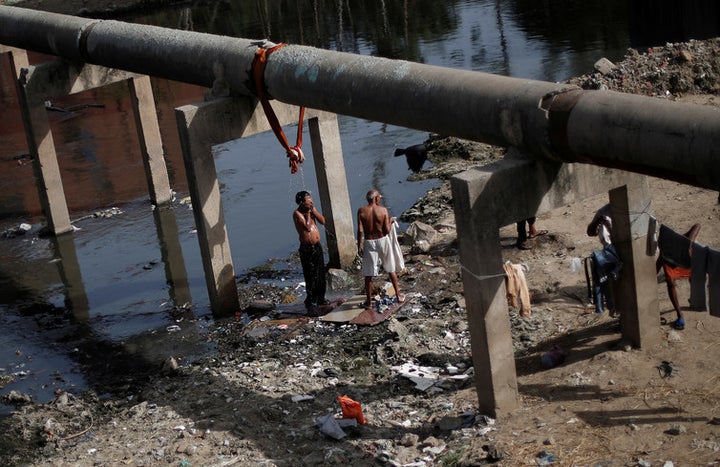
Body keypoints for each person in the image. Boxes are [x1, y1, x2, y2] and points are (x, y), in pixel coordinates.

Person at [357, 189, 405, 308]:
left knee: (369, 273)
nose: (380, 199)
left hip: (369, 242)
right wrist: (390, 220)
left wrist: (359, 245)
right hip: (382, 240)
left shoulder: (361, 211)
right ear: (376, 198)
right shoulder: (383, 210)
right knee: (390, 268)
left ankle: (368, 302)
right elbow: (387, 230)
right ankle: (398, 295)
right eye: (379, 198)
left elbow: (360, 230)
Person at [656, 223, 701, 331]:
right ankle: (680, 315)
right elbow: (654, 271)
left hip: (685, 256)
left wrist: (689, 242)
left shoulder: (684, 244)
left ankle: (694, 299)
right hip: (671, 260)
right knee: (670, 283)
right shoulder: (664, 257)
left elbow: (697, 225)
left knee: (693, 275)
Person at [293, 191, 327, 311]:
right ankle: (311, 301)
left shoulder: (312, 210)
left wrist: (314, 211)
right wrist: (308, 213)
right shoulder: (297, 213)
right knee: (311, 274)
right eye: (308, 199)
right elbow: (307, 228)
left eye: (311, 198)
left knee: (320, 273)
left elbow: (323, 221)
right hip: (307, 248)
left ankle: (321, 298)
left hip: (316, 246)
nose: (311, 201)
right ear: (302, 202)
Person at [586, 204, 621, 315]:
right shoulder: (604, 211)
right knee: (611, 286)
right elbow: (591, 232)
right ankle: (616, 311)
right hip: (609, 254)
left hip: (622, 250)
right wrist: (598, 222)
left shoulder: (627, 210)